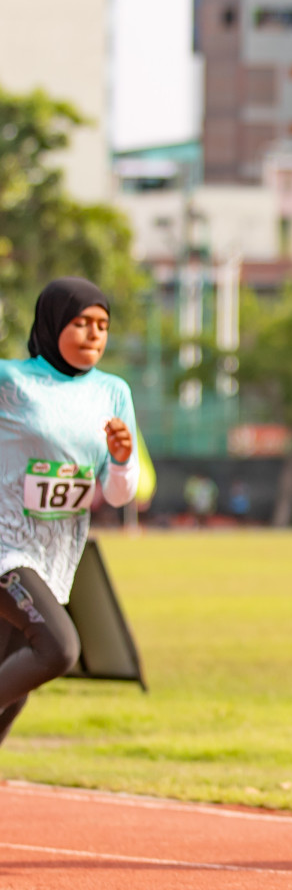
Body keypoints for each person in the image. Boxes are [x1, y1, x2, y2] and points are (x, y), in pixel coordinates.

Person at [0, 278, 139, 748]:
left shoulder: (113, 393)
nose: (94, 333)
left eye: (102, 325)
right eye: (81, 322)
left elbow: (119, 495)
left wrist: (120, 458)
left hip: (56, 557)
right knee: (58, 649)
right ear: (52, 323)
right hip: (6, 548)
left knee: (13, 686)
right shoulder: (11, 381)